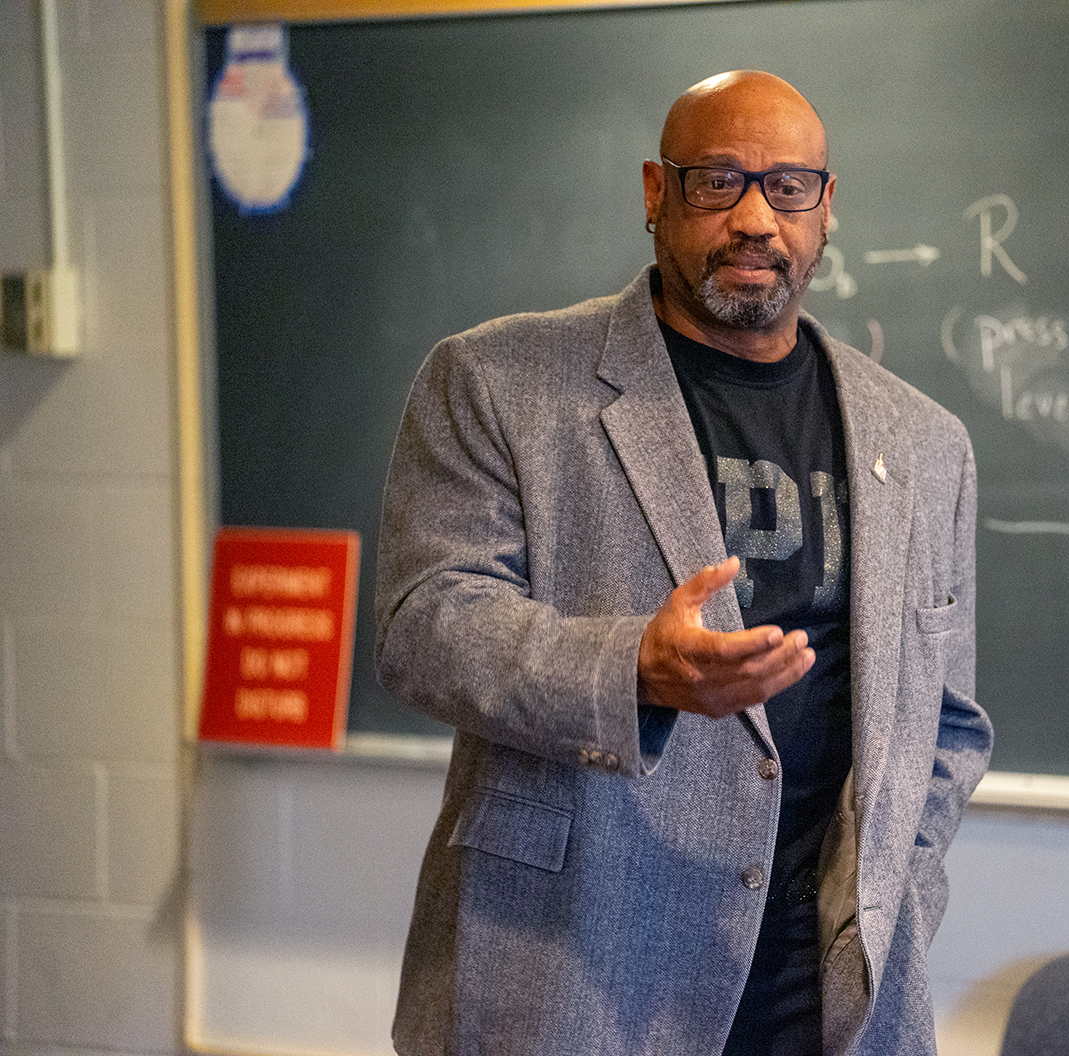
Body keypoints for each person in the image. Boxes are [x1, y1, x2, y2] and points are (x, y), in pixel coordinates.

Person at [375, 69, 991, 1056]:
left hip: (825, 987)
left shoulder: (924, 443)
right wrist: (632, 671)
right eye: (719, 182)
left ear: (827, 209)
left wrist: (889, 885)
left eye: (788, 187)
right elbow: (426, 626)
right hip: (577, 963)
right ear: (657, 195)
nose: (756, 217)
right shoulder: (496, 382)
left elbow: (948, 721)